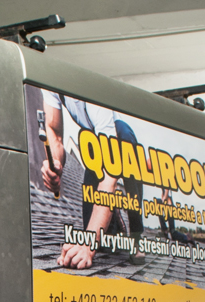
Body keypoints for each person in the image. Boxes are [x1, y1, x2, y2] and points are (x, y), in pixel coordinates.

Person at [40, 91, 145, 269]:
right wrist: (55, 164)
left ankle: (136, 235)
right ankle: (113, 218)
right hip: (93, 137)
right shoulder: (51, 84)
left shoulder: (97, 101)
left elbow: (110, 174)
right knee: (100, 240)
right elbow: (54, 131)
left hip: (117, 134)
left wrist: (88, 245)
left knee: (126, 142)